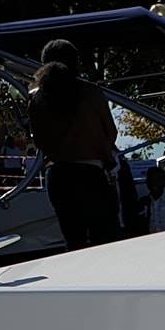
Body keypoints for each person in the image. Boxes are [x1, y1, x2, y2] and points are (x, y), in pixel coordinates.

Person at [27, 38, 119, 249]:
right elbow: (111, 132)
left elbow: (39, 141)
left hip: (59, 177)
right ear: (75, 62)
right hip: (91, 174)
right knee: (105, 244)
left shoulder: (37, 99)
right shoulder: (90, 92)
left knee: (75, 245)